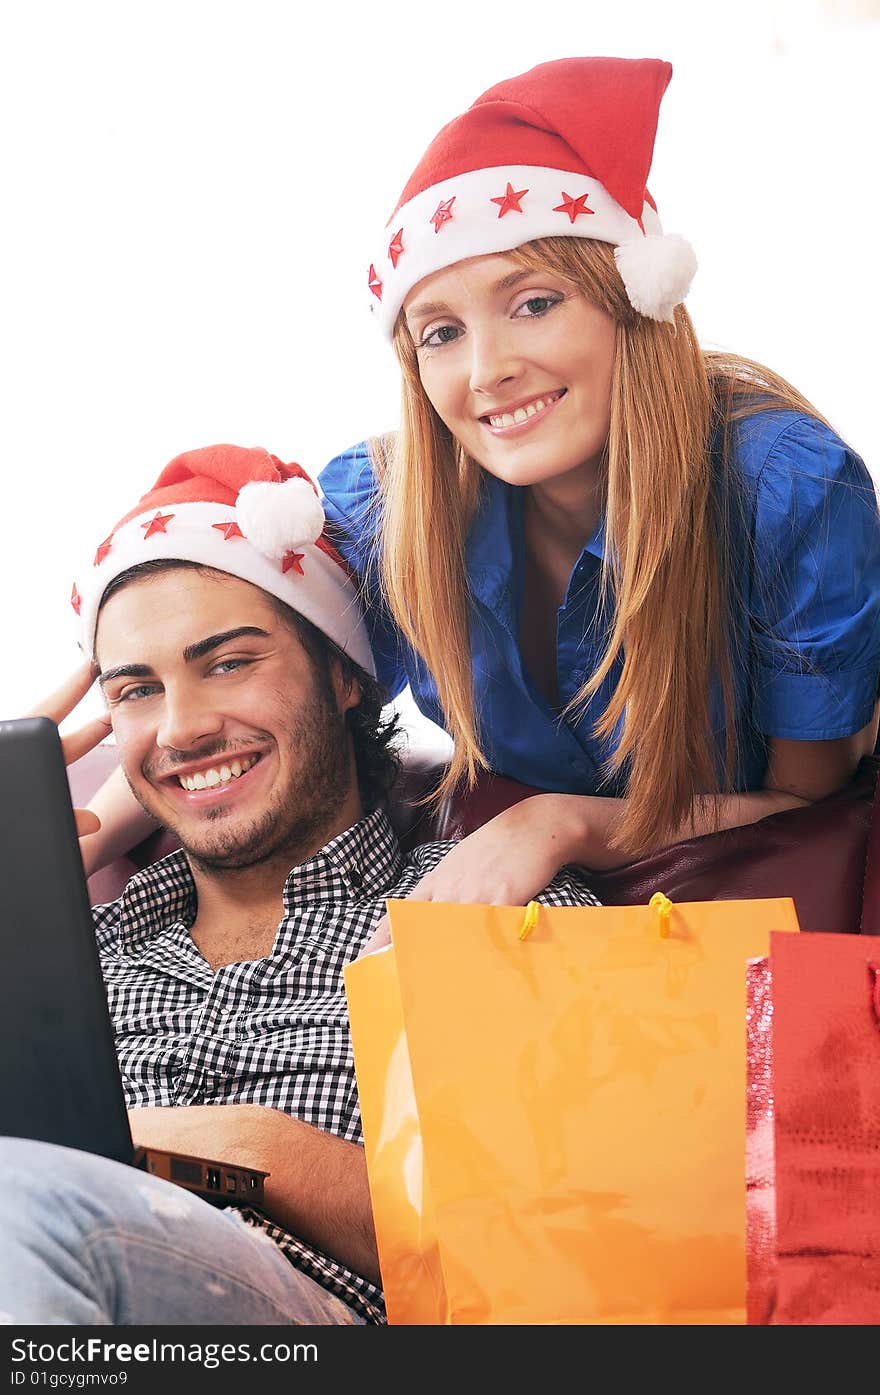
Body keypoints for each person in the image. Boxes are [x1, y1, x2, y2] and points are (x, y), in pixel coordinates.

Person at [79, 56, 880, 930]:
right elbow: (229, 668)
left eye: (535, 303)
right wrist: (76, 821)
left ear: (634, 300)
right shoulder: (388, 508)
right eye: (443, 333)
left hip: (745, 890)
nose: (487, 371)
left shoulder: (786, 489)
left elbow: (812, 805)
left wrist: (560, 822)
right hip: (534, 908)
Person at [0, 444, 599, 1326]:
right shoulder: (81, 950)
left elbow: (554, 1254)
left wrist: (245, 1146)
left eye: (229, 662)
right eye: (137, 689)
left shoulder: (492, 903)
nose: (184, 727)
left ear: (345, 673)